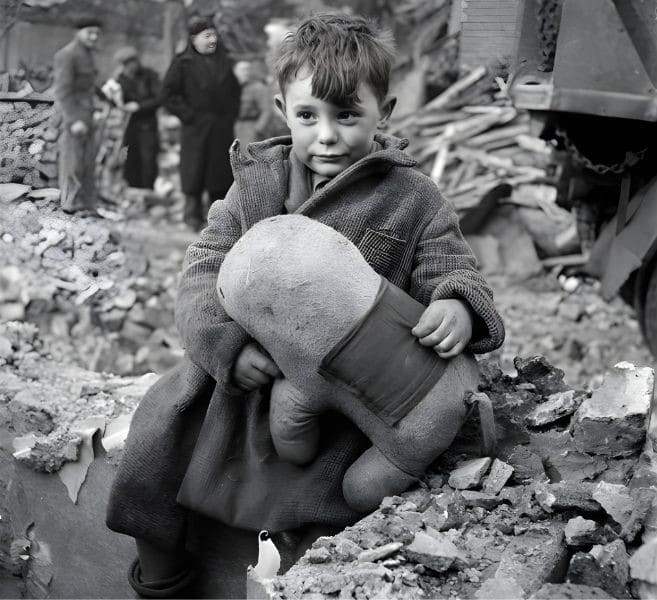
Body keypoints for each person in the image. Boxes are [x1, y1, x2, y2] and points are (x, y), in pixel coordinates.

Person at [107, 12, 505, 598]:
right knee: (161, 427)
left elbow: (451, 265)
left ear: (384, 112)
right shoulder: (256, 185)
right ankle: (161, 574)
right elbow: (203, 266)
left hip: (339, 390)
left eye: (348, 115)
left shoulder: (411, 197)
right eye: (308, 116)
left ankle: (301, 574)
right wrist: (225, 344)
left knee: (330, 488)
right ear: (281, 109)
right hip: (243, 375)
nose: (327, 136)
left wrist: (458, 306)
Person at [161, 16, 241, 231]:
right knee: (194, 170)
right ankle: (191, 217)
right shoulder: (182, 63)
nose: (212, 40)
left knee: (219, 173)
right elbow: (168, 95)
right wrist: (189, 115)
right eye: (207, 36)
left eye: (214, 35)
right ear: (194, 39)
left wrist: (230, 115)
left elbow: (235, 91)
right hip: (196, 127)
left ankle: (218, 219)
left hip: (221, 126)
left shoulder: (224, 61)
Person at [53, 17, 102, 214]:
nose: (94, 36)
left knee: (88, 162)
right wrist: (73, 120)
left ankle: (86, 204)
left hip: (89, 114)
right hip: (75, 116)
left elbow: (89, 87)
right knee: (72, 162)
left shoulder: (88, 55)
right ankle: (70, 203)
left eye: (97, 33)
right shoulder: (67, 55)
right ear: (78, 32)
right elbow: (62, 91)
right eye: (90, 32)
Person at [113, 46, 161, 190]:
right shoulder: (121, 79)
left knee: (148, 160)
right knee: (130, 160)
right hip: (129, 127)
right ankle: (132, 190)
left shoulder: (150, 75)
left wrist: (139, 106)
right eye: (127, 64)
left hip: (148, 126)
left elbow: (159, 98)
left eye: (133, 62)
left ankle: (148, 191)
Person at [233, 60, 271, 146]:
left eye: (248, 69)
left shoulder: (258, 87)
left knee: (248, 155)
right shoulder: (230, 87)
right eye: (242, 70)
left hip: (250, 125)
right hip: (234, 125)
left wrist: (258, 129)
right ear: (235, 71)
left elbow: (267, 110)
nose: (245, 72)